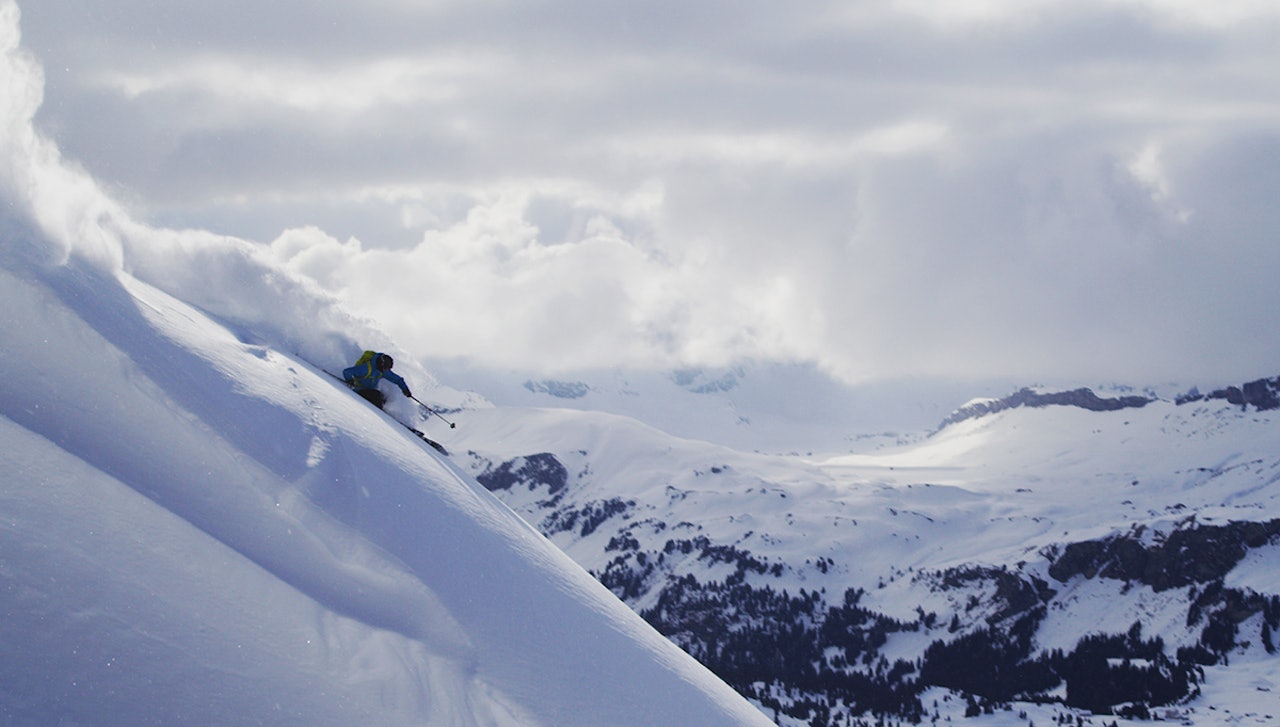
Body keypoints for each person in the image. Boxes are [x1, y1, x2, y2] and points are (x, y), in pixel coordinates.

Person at [343, 351, 411, 409]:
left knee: (383, 397)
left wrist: (405, 389)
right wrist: (350, 380)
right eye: (385, 368)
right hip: (358, 389)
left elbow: (398, 380)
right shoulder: (366, 369)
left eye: (387, 369)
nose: (386, 371)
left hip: (370, 390)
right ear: (381, 364)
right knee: (377, 396)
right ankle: (377, 410)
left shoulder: (383, 371)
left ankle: (379, 407)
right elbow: (347, 372)